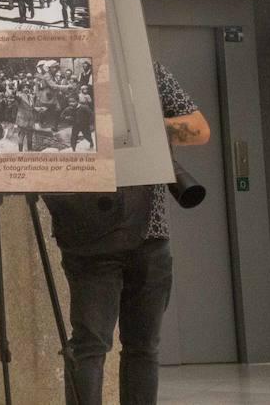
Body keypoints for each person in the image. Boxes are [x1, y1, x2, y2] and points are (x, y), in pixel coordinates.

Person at [49, 63, 210, 405]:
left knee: (144, 346)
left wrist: (139, 128)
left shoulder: (146, 69)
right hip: (88, 230)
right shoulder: (63, 67)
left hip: (150, 233)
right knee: (89, 344)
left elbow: (198, 129)